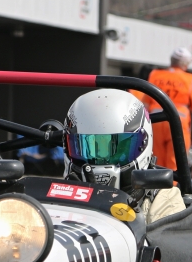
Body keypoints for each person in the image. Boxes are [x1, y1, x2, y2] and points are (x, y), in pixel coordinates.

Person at [63, 89, 185, 223]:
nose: (102, 159)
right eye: (90, 147)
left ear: (143, 142)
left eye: (117, 149)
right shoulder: (60, 195)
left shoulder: (164, 201)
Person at [141, 47, 192, 170]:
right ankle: (172, 183)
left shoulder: (155, 75)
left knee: (156, 161)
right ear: (186, 64)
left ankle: (157, 182)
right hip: (178, 123)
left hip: (156, 122)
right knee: (175, 162)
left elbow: (146, 103)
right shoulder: (190, 80)